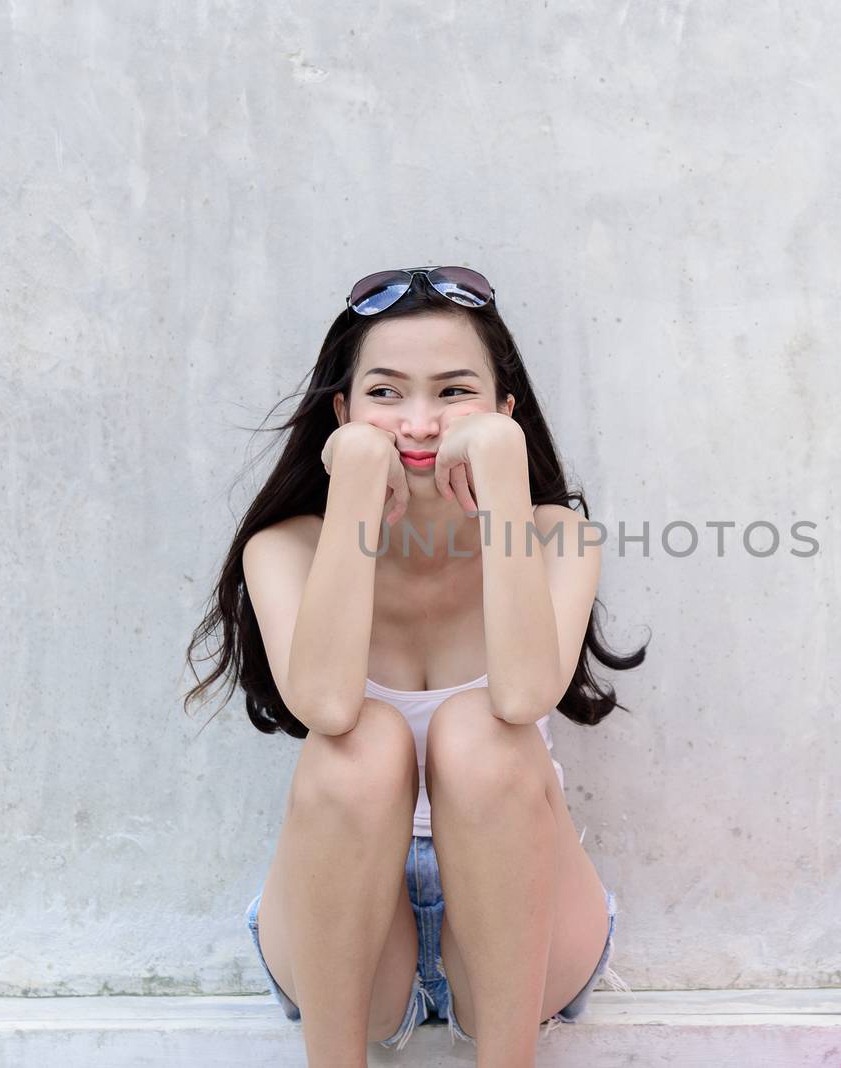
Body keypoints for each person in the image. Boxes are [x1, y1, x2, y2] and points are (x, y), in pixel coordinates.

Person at [183, 266, 647, 1067]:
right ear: (342, 413)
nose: (421, 423)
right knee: (359, 744)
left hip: (519, 916)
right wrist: (356, 490)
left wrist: (502, 479)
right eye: (387, 393)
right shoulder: (284, 548)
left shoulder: (558, 539)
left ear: (507, 410)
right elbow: (326, 705)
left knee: (486, 733)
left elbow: (528, 693)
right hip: (347, 922)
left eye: (456, 391)